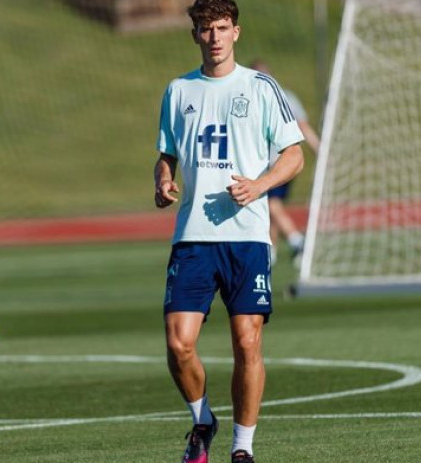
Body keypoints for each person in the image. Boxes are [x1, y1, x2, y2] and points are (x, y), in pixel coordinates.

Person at [153, 1, 304, 462]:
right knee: (179, 344)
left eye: (221, 27)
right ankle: (202, 420)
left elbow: (294, 155)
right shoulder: (178, 91)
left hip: (247, 238)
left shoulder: (260, 87)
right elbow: (167, 154)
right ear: (194, 35)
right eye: (205, 28)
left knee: (247, 341)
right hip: (194, 236)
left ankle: (243, 449)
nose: (214, 36)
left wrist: (259, 185)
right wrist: (162, 180)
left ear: (235, 32)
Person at [248, 59, 321, 267]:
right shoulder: (249, 99)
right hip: (266, 163)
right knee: (272, 207)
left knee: (271, 204)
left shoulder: (283, 97)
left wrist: (319, 149)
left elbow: (303, 126)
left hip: (280, 163)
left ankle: (296, 240)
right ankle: (270, 251)